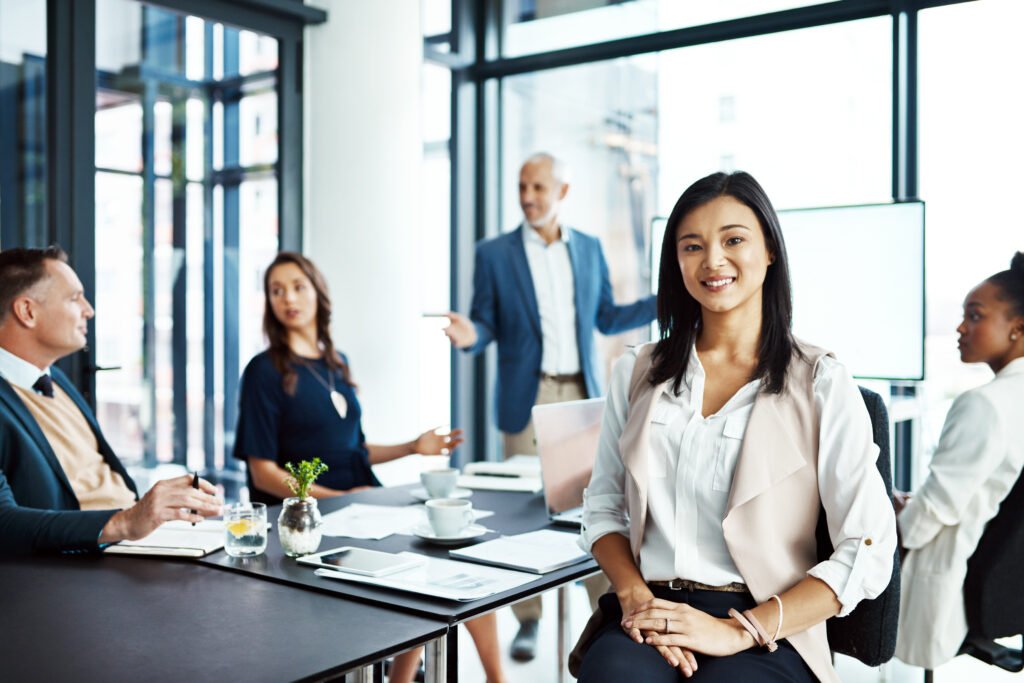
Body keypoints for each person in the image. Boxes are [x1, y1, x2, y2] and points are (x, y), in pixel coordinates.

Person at [575, 172, 896, 682]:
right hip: (653, 610)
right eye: (692, 246)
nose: (713, 261)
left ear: (769, 249)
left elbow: (869, 546)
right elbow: (605, 507)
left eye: (733, 240)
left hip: (768, 622)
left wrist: (739, 630)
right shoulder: (637, 371)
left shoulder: (820, 381)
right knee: (613, 674)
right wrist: (633, 594)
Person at [233, 252, 505, 683]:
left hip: (361, 503)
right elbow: (264, 471)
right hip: (314, 518)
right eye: (277, 290)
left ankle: (492, 680)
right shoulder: (264, 372)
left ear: (318, 294)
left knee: (457, 559)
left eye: (298, 287)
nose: (289, 298)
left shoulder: (335, 363)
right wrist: (336, 500)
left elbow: (353, 452)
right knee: (422, 568)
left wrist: (413, 447)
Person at [444, 152, 655, 659]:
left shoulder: (588, 249)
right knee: (526, 509)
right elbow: (483, 321)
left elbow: (606, 316)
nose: (527, 197)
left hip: (579, 396)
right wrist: (471, 337)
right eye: (522, 187)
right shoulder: (494, 254)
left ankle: (604, 611)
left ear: (561, 192)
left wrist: (667, 296)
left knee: (594, 507)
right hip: (527, 395)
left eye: (538, 187)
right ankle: (528, 619)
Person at [0, 246, 222, 556]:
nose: (88, 309)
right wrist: (124, 523)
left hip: (134, 544)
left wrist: (150, 514)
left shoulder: (55, 378)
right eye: (74, 298)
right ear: (27, 311)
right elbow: (3, 524)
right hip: (79, 564)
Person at [894, 252, 1024, 669]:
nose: (960, 327)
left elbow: (933, 513)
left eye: (975, 315)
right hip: (995, 578)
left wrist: (890, 529)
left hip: (951, 578)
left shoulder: (984, 404)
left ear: (1018, 328)